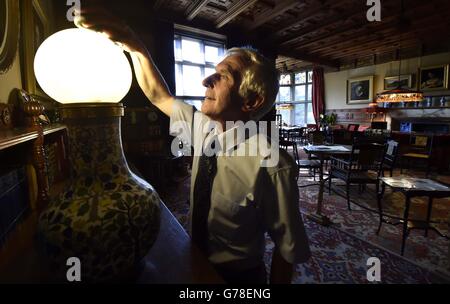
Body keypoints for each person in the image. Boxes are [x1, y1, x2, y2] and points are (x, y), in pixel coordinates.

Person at [77, 7, 310, 284]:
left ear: (251, 101)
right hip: (191, 261)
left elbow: (288, 249)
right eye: (214, 72)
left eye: (224, 75)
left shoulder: (272, 163)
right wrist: (133, 44)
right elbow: (158, 96)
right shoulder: (202, 126)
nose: (205, 81)